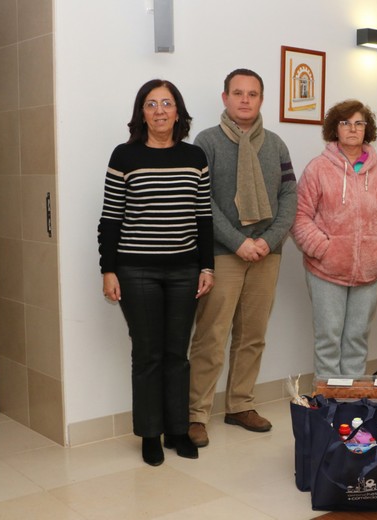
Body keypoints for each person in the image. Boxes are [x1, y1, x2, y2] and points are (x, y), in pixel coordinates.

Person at [98, 79, 214, 466]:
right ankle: (150, 434)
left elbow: (203, 218)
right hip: (136, 271)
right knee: (148, 354)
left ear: (178, 111)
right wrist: (108, 270)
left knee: (177, 354)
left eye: (166, 103)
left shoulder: (195, 156)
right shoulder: (124, 156)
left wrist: (207, 266)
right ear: (142, 113)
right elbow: (110, 218)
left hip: (185, 270)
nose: (160, 110)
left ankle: (177, 430)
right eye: (151, 104)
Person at [187, 69, 297, 446]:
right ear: (225, 98)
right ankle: (196, 414)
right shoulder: (207, 142)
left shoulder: (276, 144)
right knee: (211, 336)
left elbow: (289, 196)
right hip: (223, 253)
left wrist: (267, 240)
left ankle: (239, 405)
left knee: (253, 336)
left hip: (267, 253)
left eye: (252, 94)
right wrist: (238, 242)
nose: (245, 100)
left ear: (261, 100)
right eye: (238, 93)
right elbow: (202, 200)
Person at [292, 100, 377, 377]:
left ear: (367, 129)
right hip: (326, 271)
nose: (353, 129)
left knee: (357, 339)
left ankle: (352, 399)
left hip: (369, 271)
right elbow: (299, 215)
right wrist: (323, 249)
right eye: (345, 123)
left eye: (359, 123)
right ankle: (328, 399)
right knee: (328, 340)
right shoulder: (318, 168)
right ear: (335, 128)